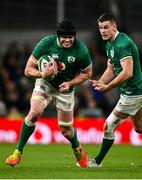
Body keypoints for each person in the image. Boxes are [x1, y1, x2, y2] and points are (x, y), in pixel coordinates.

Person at [5, 18, 92, 167]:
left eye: (71, 37)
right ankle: (17, 152)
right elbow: (27, 70)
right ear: (58, 36)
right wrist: (43, 73)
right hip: (45, 83)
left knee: (66, 130)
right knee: (34, 113)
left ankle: (77, 147)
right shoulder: (46, 43)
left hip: (66, 89)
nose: (68, 40)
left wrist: (70, 83)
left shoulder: (81, 49)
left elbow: (88, 73)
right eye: (64, 37)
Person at [88, 13, 142, 168]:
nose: (103, 31)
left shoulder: (122, 44)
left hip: (133, 93)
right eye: (100, 28)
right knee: (139, 128)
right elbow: (111, 69)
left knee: (108, 126)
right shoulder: (110, 43)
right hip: (135, 91)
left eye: (106, 27)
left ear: (114, 26)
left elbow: (127, 72)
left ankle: (97, 162)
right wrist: (101, 82)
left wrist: (108, 87)